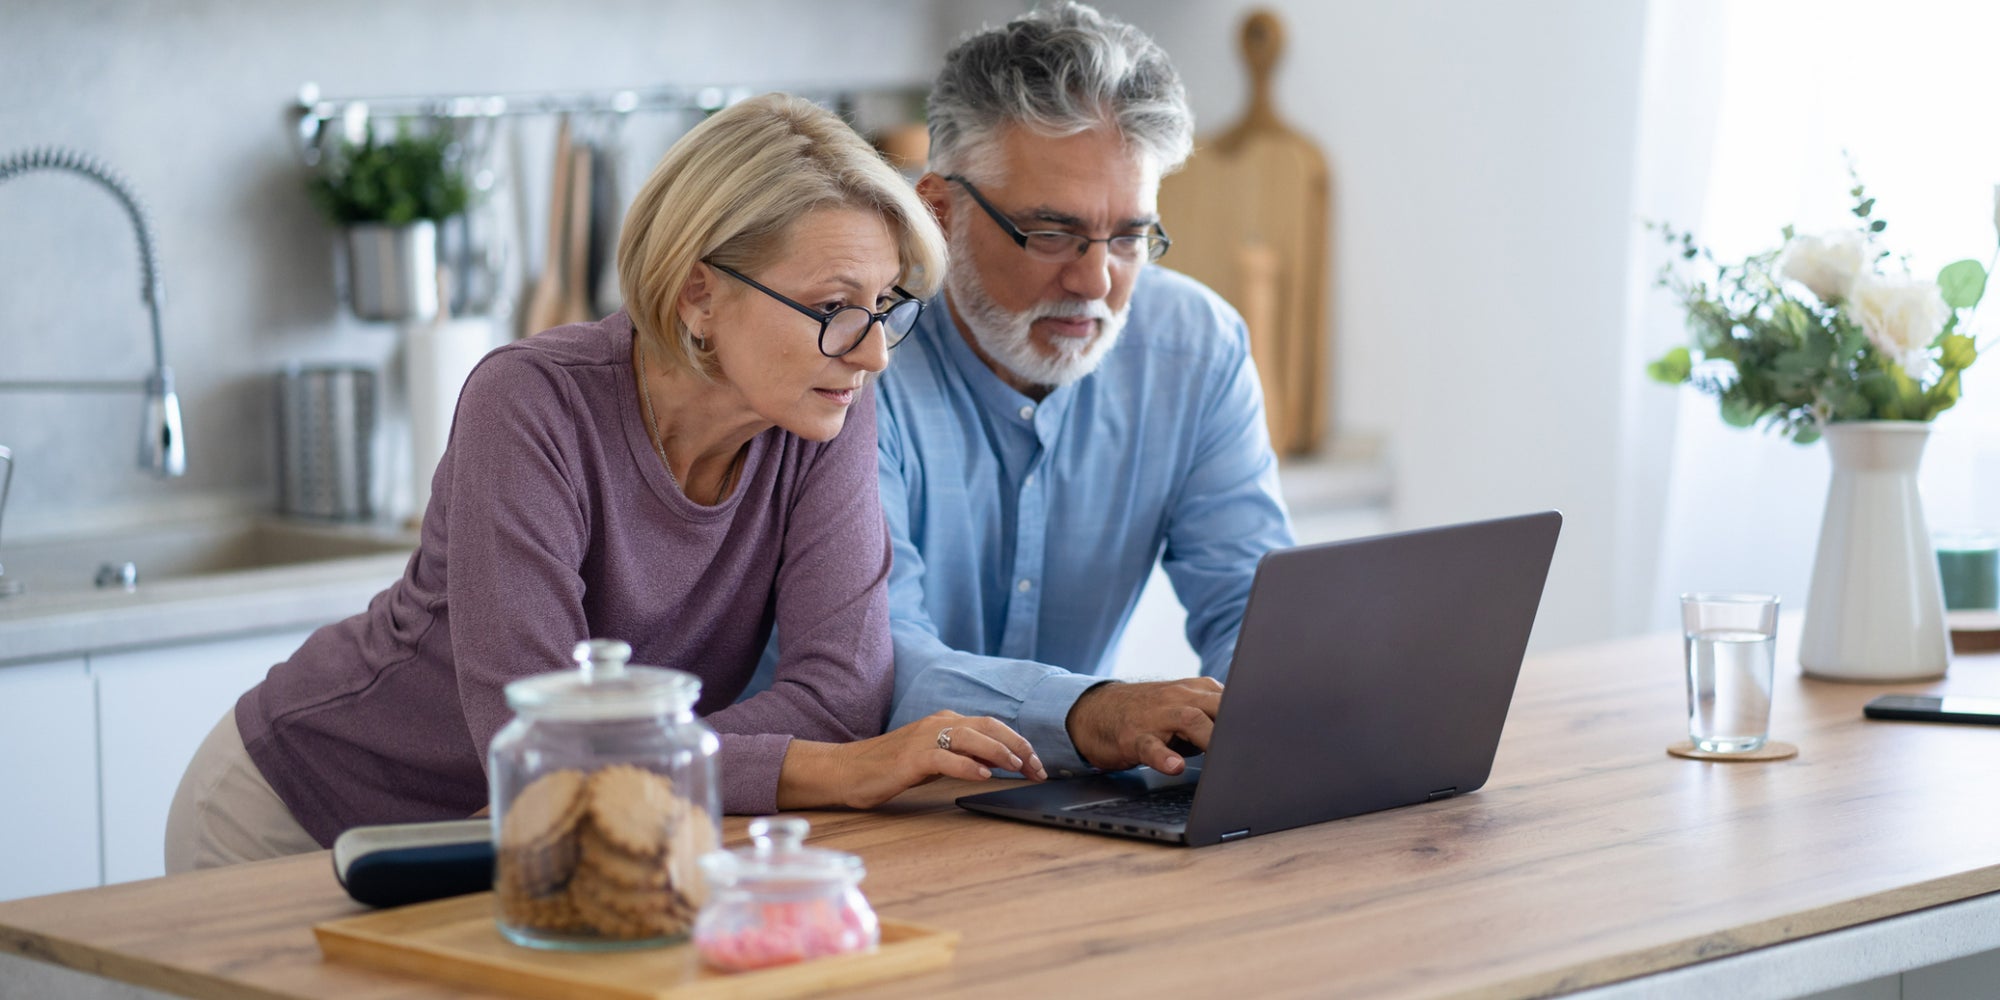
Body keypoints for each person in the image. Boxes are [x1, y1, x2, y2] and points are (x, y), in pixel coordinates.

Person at [164, 94, 1039, 873]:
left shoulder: (829, 403)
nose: (874, 349)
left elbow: (841, 695)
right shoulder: (531, 401)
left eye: (886, 305)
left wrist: (607, 771)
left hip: (547, 838)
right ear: (700, 292)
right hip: (312, 813)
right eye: (835, 306)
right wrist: (823, 769)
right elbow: (537, 742)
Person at [879, 2, 1296, 778]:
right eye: (1051, 234)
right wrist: (1091, 713)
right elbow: (876, 661)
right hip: (859, 819)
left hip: (1064, 817)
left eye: (1131, 236)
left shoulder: (1195, 348)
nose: (1096, 280)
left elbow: (1256, 607)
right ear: (937, 212)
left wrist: (1254, 726)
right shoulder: (856, 355)